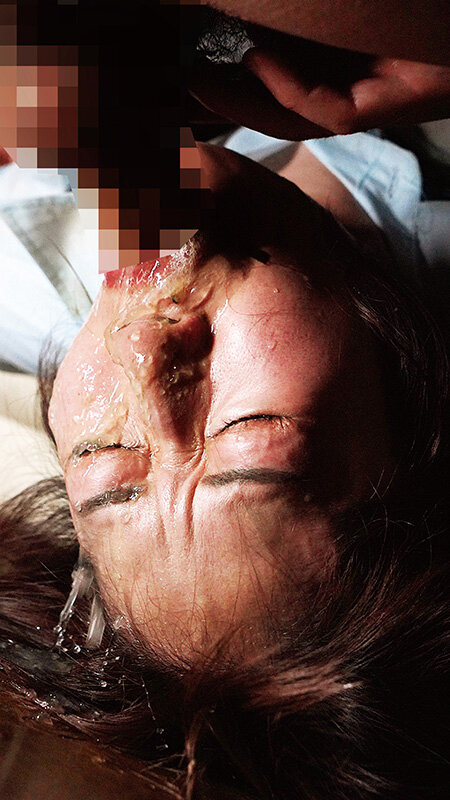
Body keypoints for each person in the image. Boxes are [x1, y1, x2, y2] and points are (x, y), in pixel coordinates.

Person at [1, 140, 449, 799]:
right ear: (413, 413)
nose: (140, 347)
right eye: (247, 431)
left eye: (102, 458)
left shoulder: (17, 289)